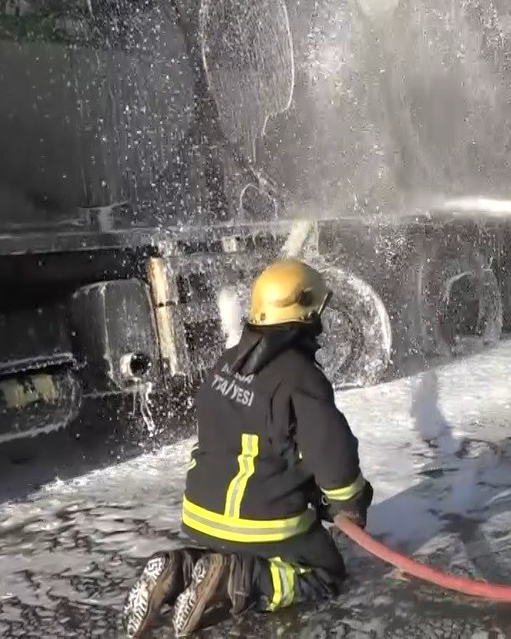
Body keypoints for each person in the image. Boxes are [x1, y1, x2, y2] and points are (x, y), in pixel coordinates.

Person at [124, 258, 374, 637]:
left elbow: (248, 437)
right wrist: (349, 504)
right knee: (326, 573)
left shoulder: (227, 362)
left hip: (201, 515)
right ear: (302, 313)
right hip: (262, 523)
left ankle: (180, 569)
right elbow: (333, 455)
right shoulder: (301, 378)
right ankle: (240, 579)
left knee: (229, 550)